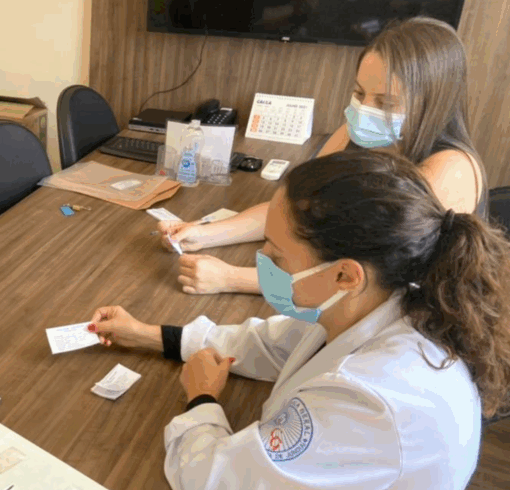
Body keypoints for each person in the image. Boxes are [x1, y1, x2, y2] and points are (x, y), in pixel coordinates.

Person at [88, 150, 510, 490]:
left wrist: (201, 400)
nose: (263, 262)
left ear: (345, 274)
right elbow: (272, 343)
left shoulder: (373, 400)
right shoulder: (393, 299)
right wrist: (148, 334)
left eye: (276, 254)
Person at [159, 16, 486, 295]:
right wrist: (204, 233)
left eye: (385, 103)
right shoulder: (355, 132)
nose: (363, 111)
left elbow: (363, 283)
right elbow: (295, 207)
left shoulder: (449, 171)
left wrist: (233, 278)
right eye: (359, 93)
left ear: (432, 105)